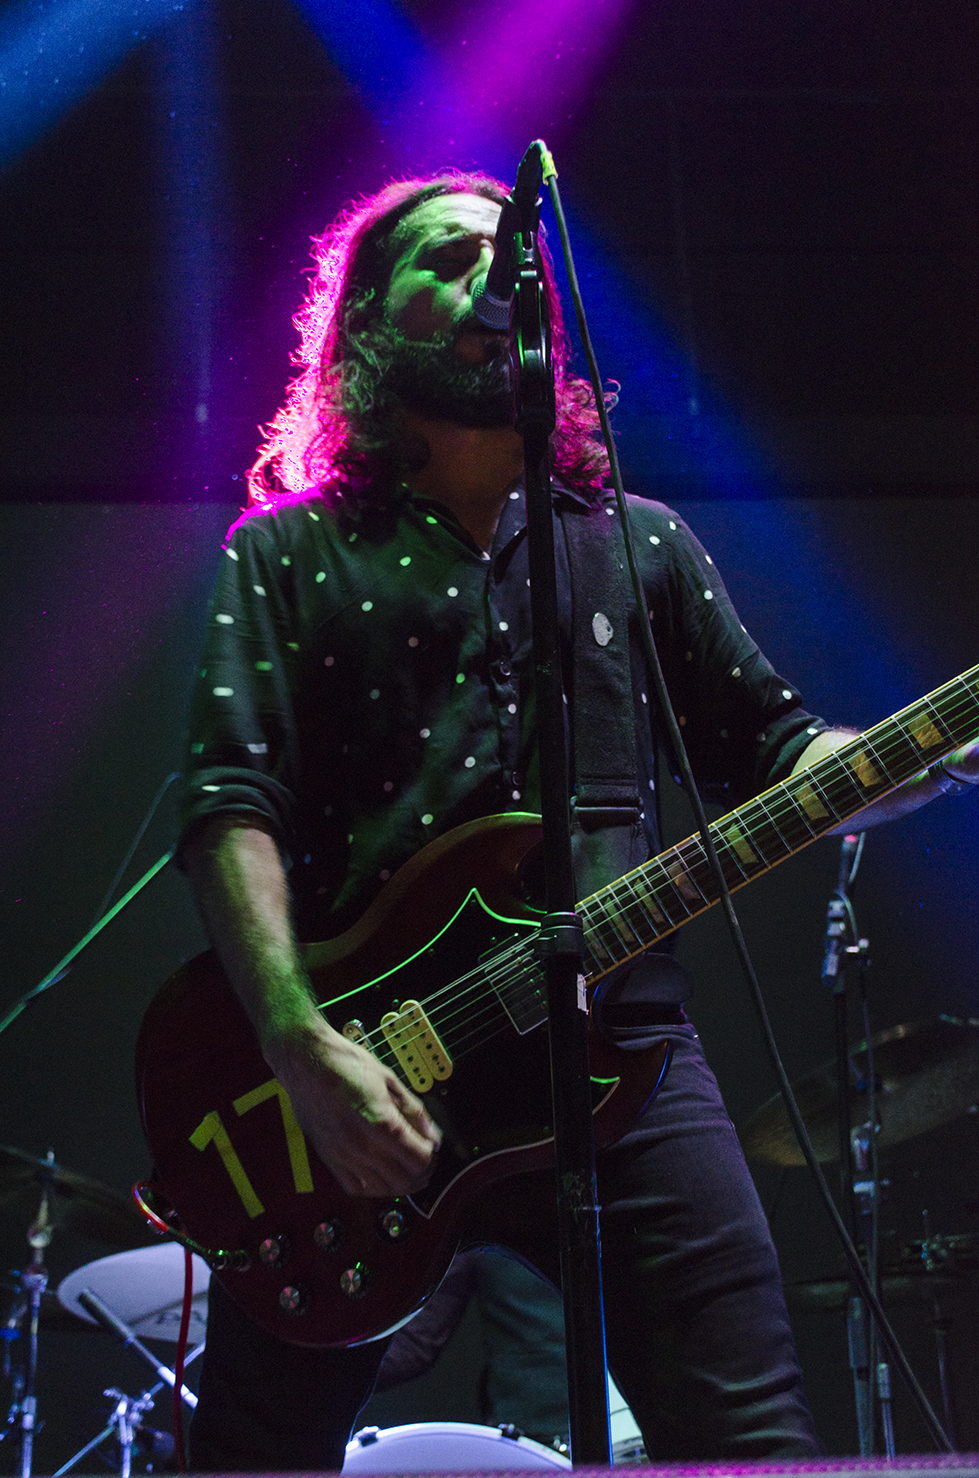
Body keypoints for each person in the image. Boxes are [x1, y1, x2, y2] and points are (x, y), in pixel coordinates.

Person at [178, 169, 979, 1471]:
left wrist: (931, 754)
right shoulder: (284, 553)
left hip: (624, 1059)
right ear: (368, 318)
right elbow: (231, 804)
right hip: (361, 1070)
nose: (493, 276)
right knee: (257, 1455)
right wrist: (297, 1045)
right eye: (447, 259)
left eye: (508, 257)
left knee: (753, 1442)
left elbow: (784, 756)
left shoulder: (639, 545)